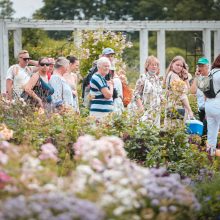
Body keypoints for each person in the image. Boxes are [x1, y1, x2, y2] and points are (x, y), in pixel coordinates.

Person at [133, 55, 162, 128]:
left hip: (156, 110)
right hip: (145, 110)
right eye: (152, 65)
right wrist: (141, 107)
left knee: (155, 131)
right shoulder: (143, 78)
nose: (154, 67)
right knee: (145, 130)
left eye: (156, 65)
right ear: (147, 66)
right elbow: (136, 94)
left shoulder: (158, 79)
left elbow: (159, 94)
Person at [164, 56, 194, 124]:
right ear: (172, 64)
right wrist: (190, 110)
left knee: (174, 129)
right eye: (177, 65)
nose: (179, 67)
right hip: (175, 107)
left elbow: (188, 90)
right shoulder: (173, 76)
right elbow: (182, 95)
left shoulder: (176, 76)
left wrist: (185, 77)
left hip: (175, 107)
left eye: (181, 66)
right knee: (174, 128)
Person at [204, 54, 220, 156]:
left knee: (211, 135)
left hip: (209, 105)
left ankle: (210, 159)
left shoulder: (210, 73)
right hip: (218, 104)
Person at [190, 57, 209, 136]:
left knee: (207, 130)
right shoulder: (198, 78)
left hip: (209, 109)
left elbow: (207, 95)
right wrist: (196, 78)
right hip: (200, 108)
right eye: (199, 66)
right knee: (201, 131)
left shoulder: (211, 77)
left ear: (207, 66)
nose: (200, 68)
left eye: (202, 66)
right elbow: (192, 91)